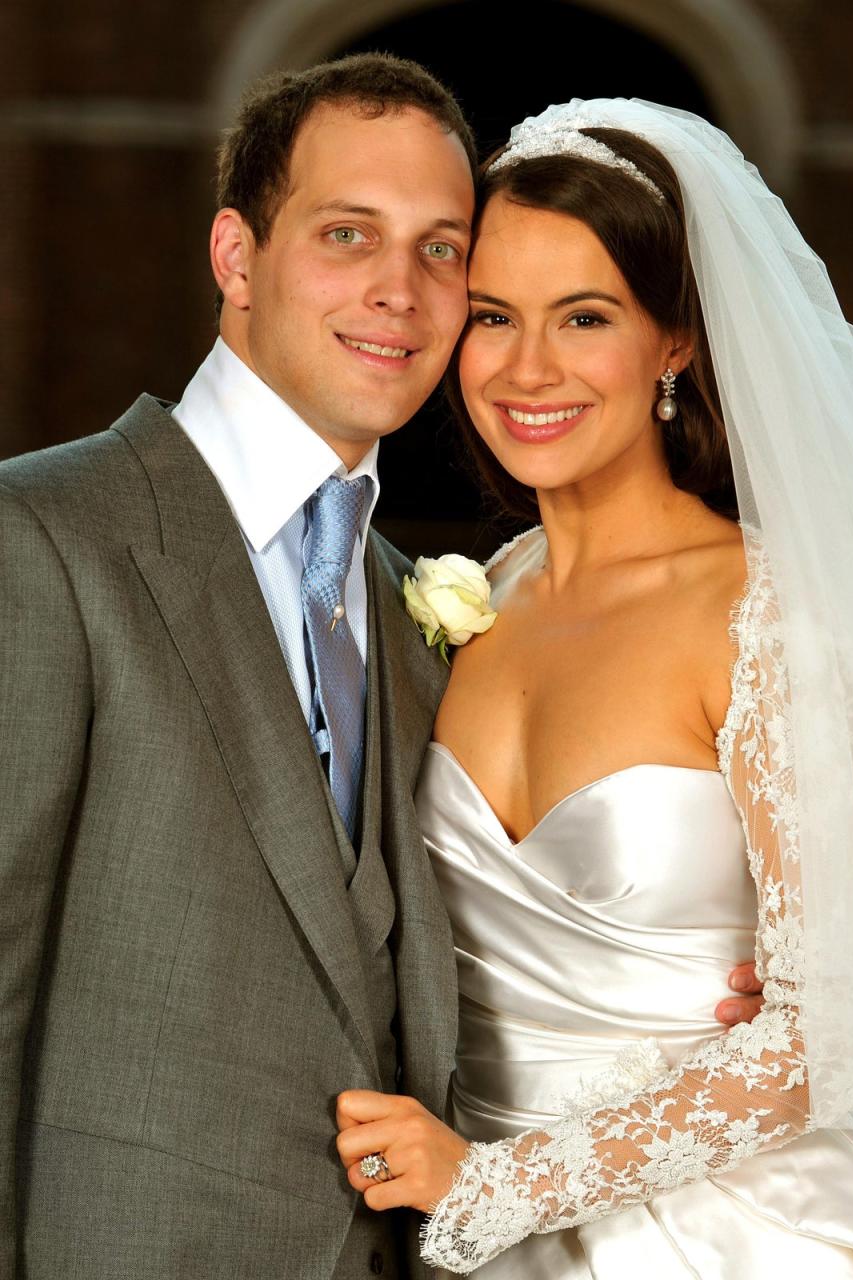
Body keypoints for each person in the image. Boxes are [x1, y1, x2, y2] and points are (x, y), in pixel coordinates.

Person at [0, 63, 762, 1276]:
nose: (398, 293)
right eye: (347, 233)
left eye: (441, 250)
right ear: (236, 257)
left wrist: (804, 985)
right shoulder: (40, 539)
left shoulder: (421, 604)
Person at [335, 99, 853, 1275]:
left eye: (585, 317)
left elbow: (843, 1027)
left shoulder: (771, 614)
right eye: (491, 317)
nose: (527, 368)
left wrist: (497, 1183)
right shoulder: (476, 598)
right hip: (455, 1221)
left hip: (732, 1233)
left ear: (675, 338)